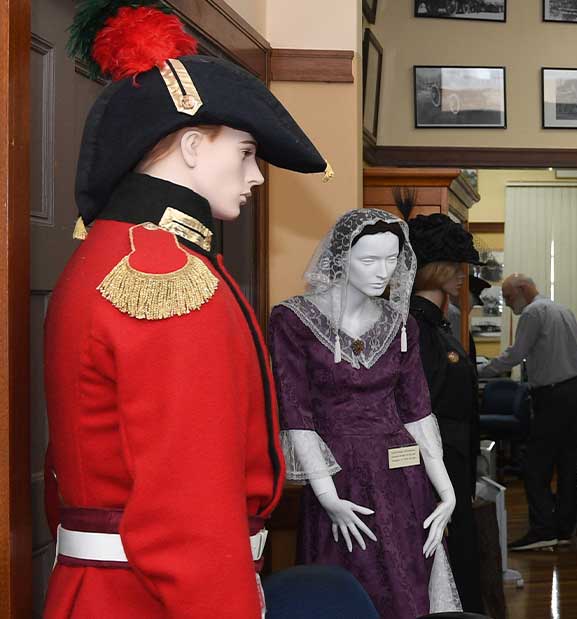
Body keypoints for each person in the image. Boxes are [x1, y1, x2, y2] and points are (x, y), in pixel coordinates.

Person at [42, 5, 329, 617]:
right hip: (151, 598)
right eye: (248, 152)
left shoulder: (111, 252)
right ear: (194, 147)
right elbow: (187, 509)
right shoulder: (162, 276)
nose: (255, 176)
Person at [271, 210, 461, 618]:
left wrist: (445, 490)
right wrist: (325, 494)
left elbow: (416, 410)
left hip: (403, 477)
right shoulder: (293, 319)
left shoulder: (401, 323)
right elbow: (295, 410)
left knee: (407, 587)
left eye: (392, 259)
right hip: (339, 478)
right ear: (342, 258)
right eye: (369, 260)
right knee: (341, 585)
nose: (383, 272)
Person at [406, 214, 488, 613]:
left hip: (455, 463)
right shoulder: (417, 330)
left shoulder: (437, 327)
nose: (462, 276)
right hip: (435, 469)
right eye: (456, 267)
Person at [482, 273, 577, 550]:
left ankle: (543, 529)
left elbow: (515, 355)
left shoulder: (532, 313)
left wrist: (478, 370)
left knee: (534, 465)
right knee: (569, 464)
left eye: (507, 297)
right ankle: (564, 529)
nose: (507, 305)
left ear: (522, 290)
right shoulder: (562, 309)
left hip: (554, 397)